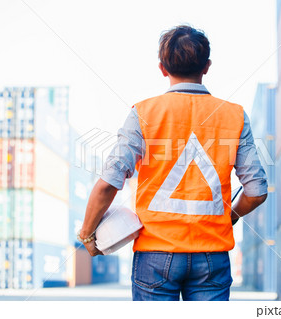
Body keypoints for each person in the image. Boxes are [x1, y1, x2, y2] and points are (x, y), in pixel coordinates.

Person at [79, 25, 267, 301]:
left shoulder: (143, 113)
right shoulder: (234, 116)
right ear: (207, 66)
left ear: (162, 68)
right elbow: (257, 191)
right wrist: (232, 215)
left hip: (155, 255)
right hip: (212, 256)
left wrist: (87, 235)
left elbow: (108, 184)